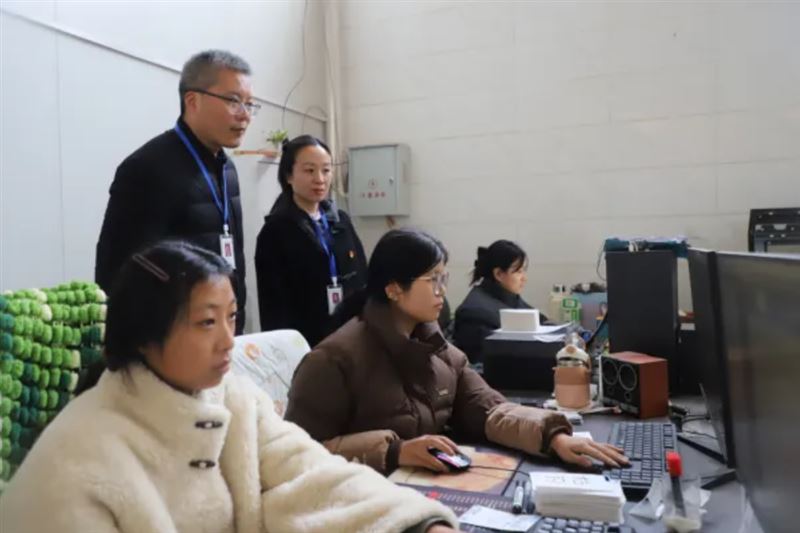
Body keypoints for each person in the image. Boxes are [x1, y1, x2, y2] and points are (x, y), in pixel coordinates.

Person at [0, 241, 460, 533]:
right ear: (144, 332)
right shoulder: (79, 462)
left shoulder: (234, 399)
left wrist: (416, 525)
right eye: (206, 322)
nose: (227, 341)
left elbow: (311, 474)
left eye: (232, 317)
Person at [285, 229, 627, 475]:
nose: (442, 291)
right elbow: (295, 455)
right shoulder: (333, 361)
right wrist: (396, 451)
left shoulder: (438, 350)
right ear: (393, 289)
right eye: (432, 279)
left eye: (444, 278)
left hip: (420, 492)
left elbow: (490, 410)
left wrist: (553, 436)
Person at [95, 50, 254, 334]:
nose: (245, 115)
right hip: (173, 340)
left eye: (249, 104)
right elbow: (120, 273)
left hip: (223, 332)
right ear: (192, 101)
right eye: (233, 101)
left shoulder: (227, 169)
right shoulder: (147, 168)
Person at [255, 135, 367, 347]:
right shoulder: (276, 231)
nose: (320, 179)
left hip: (350, 337)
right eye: (309, 170)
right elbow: (273, 305)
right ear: (288, 175)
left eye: (326, 170)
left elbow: (362, 276)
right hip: (305, 342)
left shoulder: (340, 220)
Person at [453, 240, 547, 363]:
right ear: (498, 274)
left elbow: (541, 321)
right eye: (518, 272)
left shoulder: (507, 297)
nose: (524, 278)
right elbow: (485, 363)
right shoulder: (475, 313)